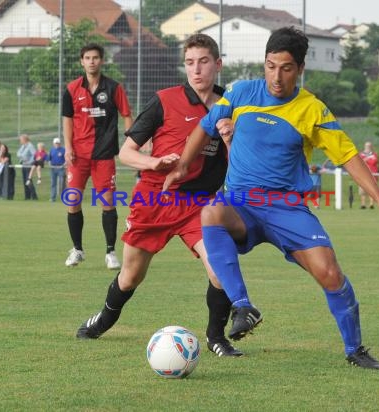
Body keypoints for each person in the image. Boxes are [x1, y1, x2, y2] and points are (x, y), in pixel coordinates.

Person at [164, 27, 379, 369]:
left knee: (330, 274)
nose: (276, 76)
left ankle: (355, 350)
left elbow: (347, 155)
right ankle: (243, 307)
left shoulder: (313, 110)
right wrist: (181, 168)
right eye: (270, 65)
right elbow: (205, 126)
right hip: (240, 203)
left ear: (300, 68)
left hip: (287, 207)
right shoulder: (239, 92)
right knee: (212, 212)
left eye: (286, 68)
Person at [76, 34, 243, 357]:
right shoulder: (166, 100)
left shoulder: (231, 107)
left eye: (204, 62)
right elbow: (126, 152)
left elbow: (240, 160)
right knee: (131, 276)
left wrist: (230, 139)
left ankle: (216, 337)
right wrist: (155, 162)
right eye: (190, 63)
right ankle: (105, 318)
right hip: (155, 198)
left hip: (200, 204)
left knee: (220, 268)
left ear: (218, 65)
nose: (197, 70)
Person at [62, 43, 133, 269]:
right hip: (78, 157)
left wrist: (131, 144)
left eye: (95, 58)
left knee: (107, 202)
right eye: (87, 58)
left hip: (103, 155)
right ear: (82, 61)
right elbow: (68, 119)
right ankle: (78, 249)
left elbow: (127, 115)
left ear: (101, 61)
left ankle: (110, 252)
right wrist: (67, 147)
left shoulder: (113, 88)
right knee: (72, 201)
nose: (91, 61)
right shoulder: (72, 88)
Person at [16, 134, 38, 200]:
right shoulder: (23, 146)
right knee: (24, 181)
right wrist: (22, 158)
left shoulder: (30, 146)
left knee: (28, 180)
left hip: (29, 165)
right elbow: (18, 154)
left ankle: (34, 196)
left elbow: (34, 155)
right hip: (24, 165)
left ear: (25, 139)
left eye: (21, 139)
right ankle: (27, 196)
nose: (20, 141)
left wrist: (30, 162)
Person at [359, 141, 379, 209]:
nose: (368, 147)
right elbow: (360, 162)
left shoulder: (374, 154)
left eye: (369, 146)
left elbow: (374, 162)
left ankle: (371, 204)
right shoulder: (361, 154)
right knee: (362, 189)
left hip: (372, 174)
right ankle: (363, 204)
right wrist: (368, 159)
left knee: (372, 189)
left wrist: (366, 160)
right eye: (367, 146)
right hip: (363, 174)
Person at [49, 137, 66, 202]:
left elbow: (65, 159)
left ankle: (64, 198)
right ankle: (53, 198)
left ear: (60, 143)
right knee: (53, 183)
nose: (57, 144)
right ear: (53, 144)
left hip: (61, 168)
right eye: (56, 143)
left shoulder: (63, 150)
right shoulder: (52, 150)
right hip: (53, 168)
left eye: (58, 143)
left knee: (62, 184)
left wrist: (63, 165)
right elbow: (49, 159)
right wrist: (50, 164)